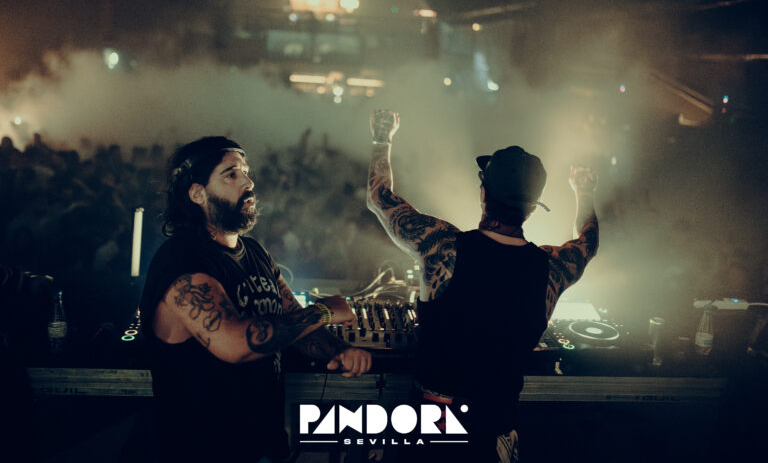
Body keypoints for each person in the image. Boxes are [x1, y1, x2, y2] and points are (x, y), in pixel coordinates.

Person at [366, 110, 598, 462]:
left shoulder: (443, 246)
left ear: (482, 192)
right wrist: (584, 190)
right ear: (533, 207)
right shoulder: (552, 268)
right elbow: (588, 241)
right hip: (494, 431)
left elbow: (379, 196)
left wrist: (382, 135)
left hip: (433, 426)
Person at [139, 136, 371, 462]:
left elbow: (293, 321)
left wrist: (336, 349)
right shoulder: (183, 261)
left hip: (262, 443)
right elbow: (235, 343)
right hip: (204, 450)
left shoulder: (255, 253)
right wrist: (323, 311)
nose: (248, 183)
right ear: (197, 193)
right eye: (231, 174)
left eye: (246, 172)